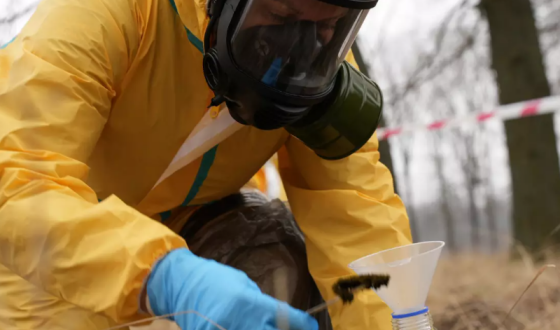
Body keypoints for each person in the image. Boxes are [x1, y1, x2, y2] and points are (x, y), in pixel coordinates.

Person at [0, 0, 412, 329]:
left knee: (274, 262)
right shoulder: (105, 12)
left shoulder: (316, 76)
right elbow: (21, 186)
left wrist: (394, 321)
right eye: (282, 14)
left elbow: (355, 216)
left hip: (188, 225)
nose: (300, 49)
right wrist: (164, 277)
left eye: (329, 24)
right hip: (37, 253)